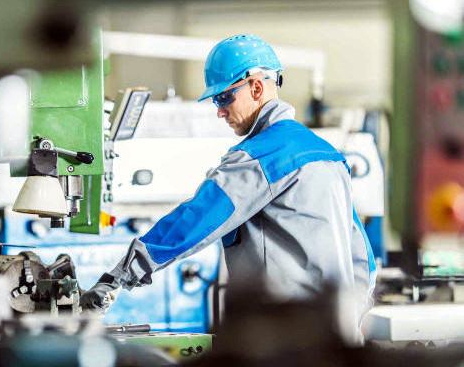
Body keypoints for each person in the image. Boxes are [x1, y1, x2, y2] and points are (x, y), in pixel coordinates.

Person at [81, 34, 376, 332]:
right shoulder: (330, 156)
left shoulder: (261, 156)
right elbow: (363, 256)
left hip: (287, 338)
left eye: (224, 98)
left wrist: (118, 277)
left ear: (256, 87)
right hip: (335, 339)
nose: (219, 111)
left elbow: (197, 218)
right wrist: (348, 322)